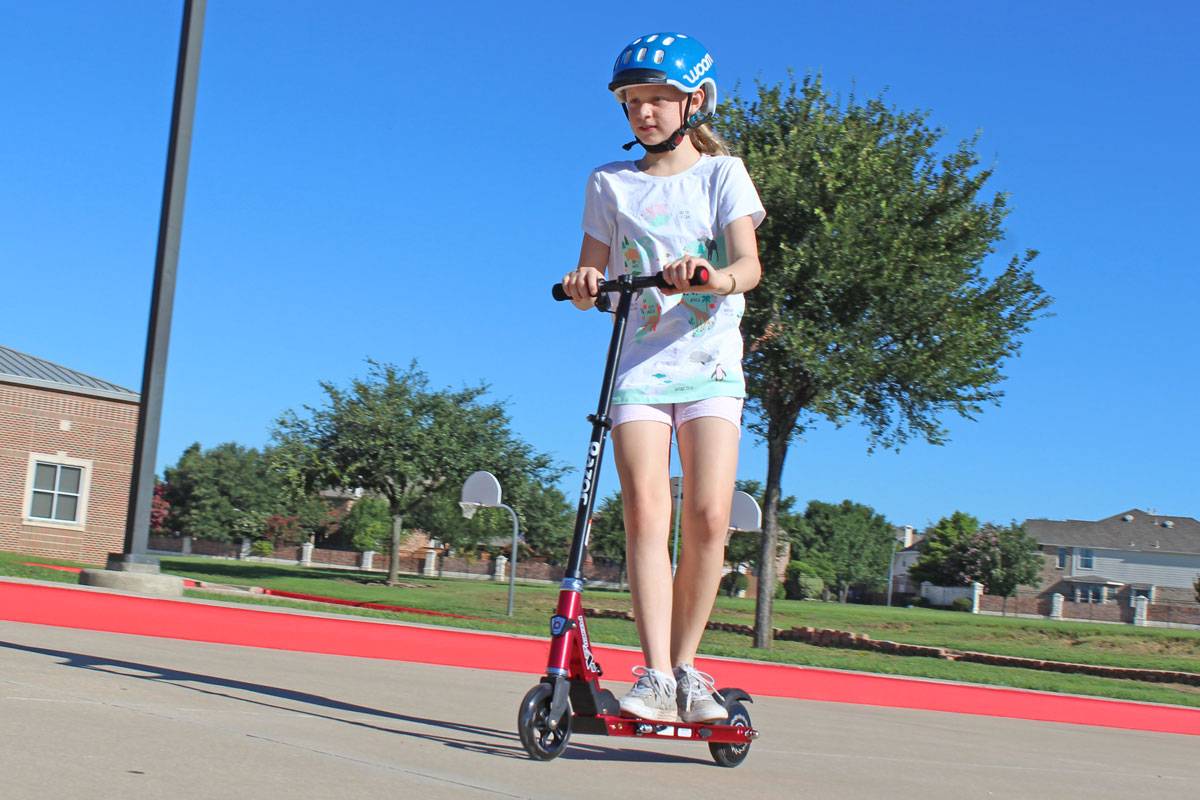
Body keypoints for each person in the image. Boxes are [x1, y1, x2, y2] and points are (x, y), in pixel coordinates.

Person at [560, 32, 765, 724]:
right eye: (632, 101)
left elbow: (748, 265)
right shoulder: (609, 184)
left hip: (710, 367)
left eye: (657, 100)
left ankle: (686, 670)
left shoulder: (722, 175)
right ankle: (652, 674)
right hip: (640, 367)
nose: (644, 113)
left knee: (709, 518)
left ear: (696, 101)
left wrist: (714, 277)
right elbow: (595, 278)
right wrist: (586, 284)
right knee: (647, 513)